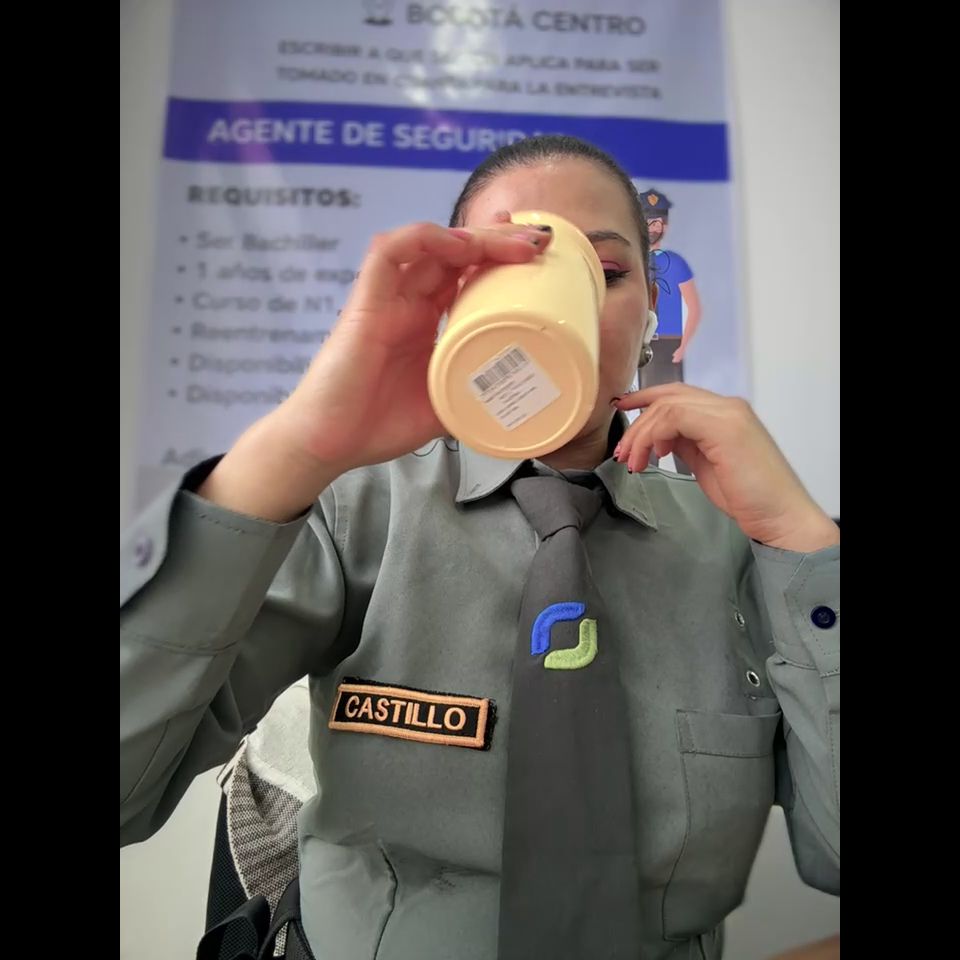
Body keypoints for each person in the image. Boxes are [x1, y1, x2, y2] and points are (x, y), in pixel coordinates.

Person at [120, 135, 840, 960]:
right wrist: (294, 450)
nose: (563, 305)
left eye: (605, 272)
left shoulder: (744, 543)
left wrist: (805, 541)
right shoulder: (358, 506)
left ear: (649, 310)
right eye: (504, 270)